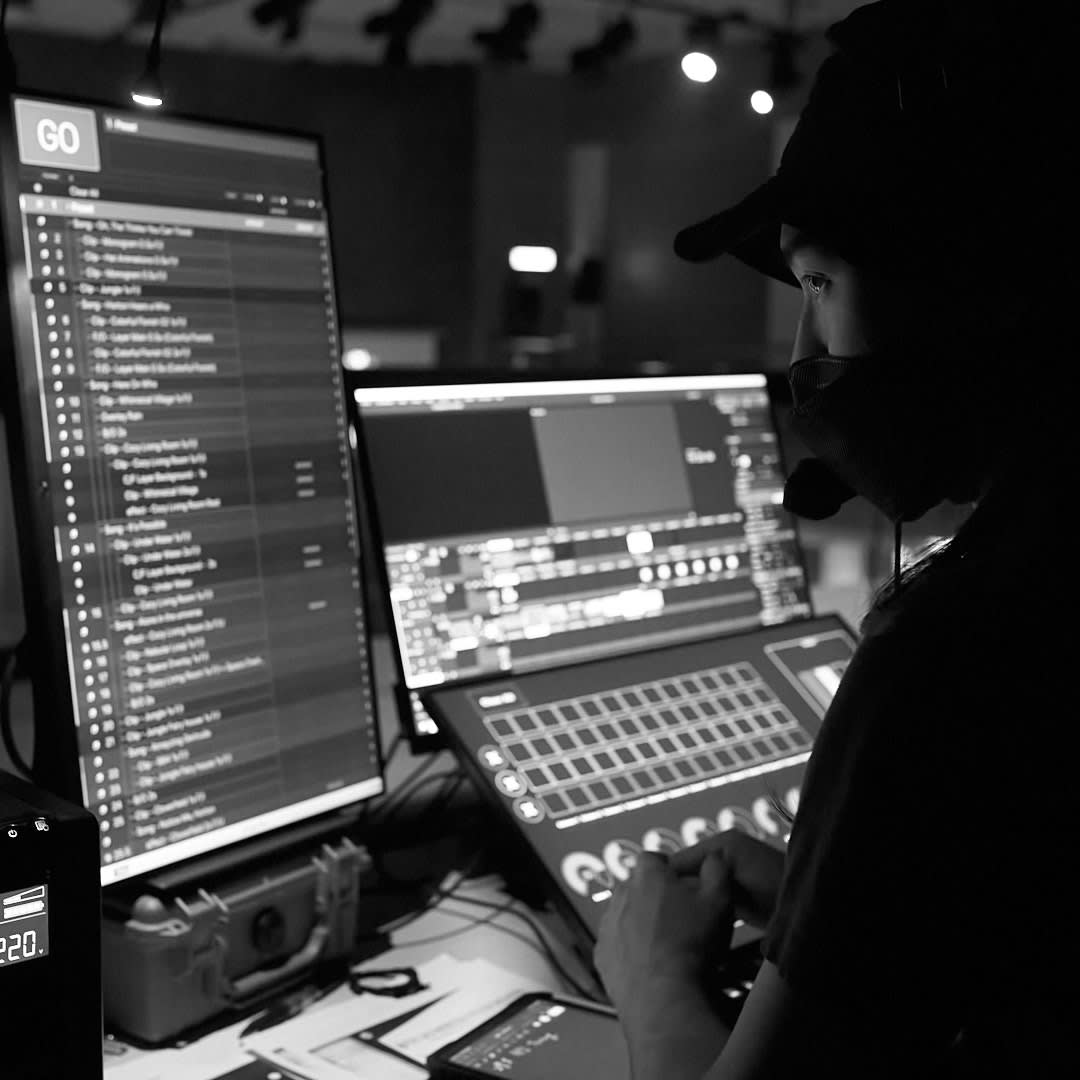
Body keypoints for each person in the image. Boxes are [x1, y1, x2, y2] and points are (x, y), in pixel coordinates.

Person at [594, 2, 1076, 1077]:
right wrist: (840, 911)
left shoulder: (961, 651)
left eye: (820, 282)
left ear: (983, 290)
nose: (807, 351)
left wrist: (649, 979)